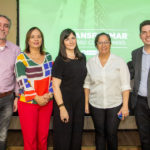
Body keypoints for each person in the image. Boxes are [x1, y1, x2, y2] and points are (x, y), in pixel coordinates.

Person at [84, 32, 131, 150]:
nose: (103, 45)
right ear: (96, 45)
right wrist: (86, 104)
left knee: (111, 133)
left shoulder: (119, 61)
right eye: (100, 42)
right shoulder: (90, 62)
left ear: (110, 44)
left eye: (106, 42)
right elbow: (87, 84)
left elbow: (125, 85)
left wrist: (125, 106)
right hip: (96, 104)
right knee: (99, 133)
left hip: (115, 104)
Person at [15, 27, 53, 150]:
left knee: (43, 138)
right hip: (28, 103)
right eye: (32, 37)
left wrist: (49, 95)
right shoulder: (21, 58)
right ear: (28, 40)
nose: (36, 39)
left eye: (39, 36)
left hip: (46, 102)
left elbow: (52, 79)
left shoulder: (48, 56)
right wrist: (37, 97)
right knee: (30, 139)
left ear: (42, 39)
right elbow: (22, 81)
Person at [52, 28, 87, 150]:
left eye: (73, 38)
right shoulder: (59, 60)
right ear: (63, 42)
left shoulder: (82, 57)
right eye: (67, 39)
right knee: (63, 139)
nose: (71, 41)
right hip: (64, 103)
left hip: (79, 102)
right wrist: (61, 108)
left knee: (77, 136)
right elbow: (55, 86)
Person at [128, 20, 150, 150]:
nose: (147, 35)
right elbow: (130, 72)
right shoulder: (135, 53)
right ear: (140, 35)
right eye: (144, 32)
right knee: (144, 137)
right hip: (140, 102)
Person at [0, 14, 20, 150]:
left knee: (2, 135)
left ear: (9, 29)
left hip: (7, 98)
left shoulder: (15, 50)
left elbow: (18, 76)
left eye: (6, 26)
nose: (2, 28)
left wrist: (17, 97)